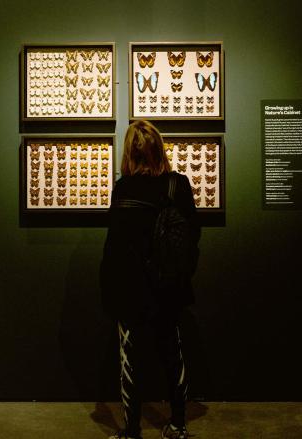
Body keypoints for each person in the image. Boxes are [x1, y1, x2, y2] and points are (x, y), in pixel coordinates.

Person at [100, 120, 200, 439]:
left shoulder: (123, 187)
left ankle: (131, 430)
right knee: (173, 354)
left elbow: (115, 246)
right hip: (167, 287)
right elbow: (192, 237)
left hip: (130, 289)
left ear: (129, 152)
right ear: (159, 149)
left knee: (131, 360)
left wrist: (110, 289)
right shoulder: (178, 185)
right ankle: (179, 424)